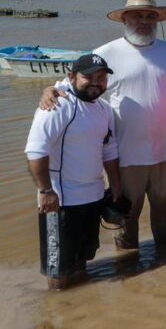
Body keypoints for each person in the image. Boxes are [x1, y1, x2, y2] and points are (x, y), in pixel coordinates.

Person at [39, 0, 166, 251]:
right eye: (136, 16)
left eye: (150, 16)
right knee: (124, 223)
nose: (143, 21)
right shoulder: (106, 53)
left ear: (157, 20)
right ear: (125, 19)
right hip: (123, 156)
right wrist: (49, 90)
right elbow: (72, 84)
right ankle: (127, 272)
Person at [26, 53, 121, 290]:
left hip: (93, 197)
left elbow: (109, 151)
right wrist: (46, 191)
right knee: (58, 269)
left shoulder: (104, 109)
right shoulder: (58, 105)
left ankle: (82, 311)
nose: (96, 82)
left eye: (101, 77)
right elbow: (36, 151)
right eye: (89, 76)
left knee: (82, 260)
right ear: (71, 76)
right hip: (60, 202)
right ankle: (59, 312)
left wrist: (116, 186)